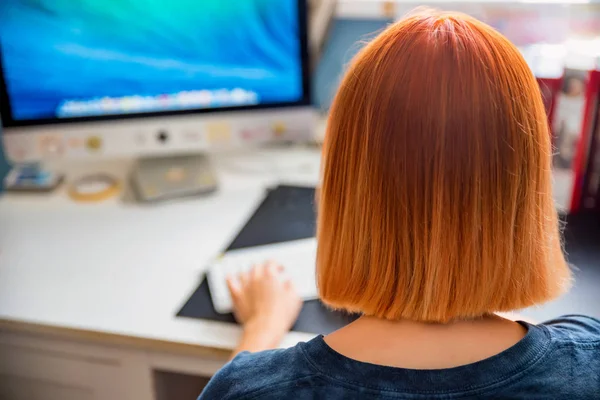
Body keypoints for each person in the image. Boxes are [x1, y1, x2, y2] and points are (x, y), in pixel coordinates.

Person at [199, 9, 600, 399]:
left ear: (346, 186)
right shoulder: (588, 363)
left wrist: (262, 327)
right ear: (527, 189)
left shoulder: (252, 389)